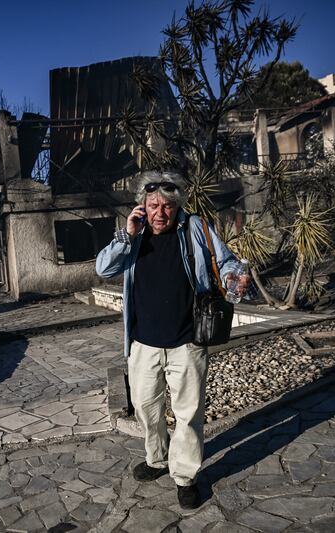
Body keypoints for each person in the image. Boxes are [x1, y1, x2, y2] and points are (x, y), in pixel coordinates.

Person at [95, 169, 249, 509]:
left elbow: (224, 262)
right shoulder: (133, 236)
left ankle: (185, 476)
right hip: (142, 344)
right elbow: (104, 269)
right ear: (142, 206)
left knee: (187, 413)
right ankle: (157, 459)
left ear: (177, 206)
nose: (160, 213)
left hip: (186, 342)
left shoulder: (195, 228)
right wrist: (126, 234)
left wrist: (234, 277)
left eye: (167, 205)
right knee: (147, 409)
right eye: (152, 205)